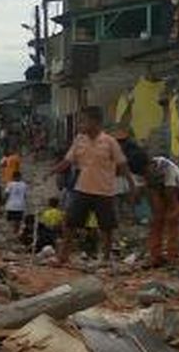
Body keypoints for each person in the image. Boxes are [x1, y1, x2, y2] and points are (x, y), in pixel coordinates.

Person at [50, 106, 135, 265]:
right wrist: (53, 170)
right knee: (70, 223)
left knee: (106, 227)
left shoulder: (110, 142)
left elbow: (122, 164)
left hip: (104, 191)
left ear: (95, 122)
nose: (80, 125)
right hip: (82, 189)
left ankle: (106, 258)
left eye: (84, 121)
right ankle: (63, 256)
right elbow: (68, 161)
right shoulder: (79, 140)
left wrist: (131, 185)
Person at [144, 155, 179, 268]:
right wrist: (156, 213)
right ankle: (155, 256)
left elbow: (170, 191)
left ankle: (172, 256)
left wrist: (175, 209)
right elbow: (148, 191)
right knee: (156, 222)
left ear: (151, 164)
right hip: (159, 189)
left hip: (177, 188)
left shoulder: (166, 166)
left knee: (172, 221)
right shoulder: (141, 171)